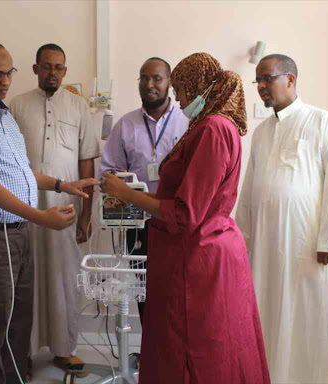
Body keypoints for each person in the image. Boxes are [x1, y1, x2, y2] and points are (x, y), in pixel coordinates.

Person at [0, 39, 99, 384]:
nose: (5, 81)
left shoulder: (2, 115)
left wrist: (61, 185)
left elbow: (22, 171)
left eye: (8, 73)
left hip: (16, 235)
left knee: (17, 325)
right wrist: (40, 218)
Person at [102, 52, 270, 384]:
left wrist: (127, 194)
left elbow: (185, 213)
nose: (178, 99)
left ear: (199, 87)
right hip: (192, 252)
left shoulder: (212, 129)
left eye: (180, 89)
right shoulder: (205, 126)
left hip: (198, 259)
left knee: (200, 350)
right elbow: (177, 201)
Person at [236, 54, 328, 384]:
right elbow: (251, 188)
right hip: (266, 248)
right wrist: (242, 239)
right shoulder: (262, 132)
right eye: (258, 81)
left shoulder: (324, 122)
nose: (262, 87)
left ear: (290, 80)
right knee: (268, 317)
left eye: (267, 79)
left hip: (308, 249)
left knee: (308, 322)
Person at [10, 43, 99, 375]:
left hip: (66, 206)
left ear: (65, 70)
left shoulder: (79, 107)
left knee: (65, 278)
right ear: (35, 69)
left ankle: (65, 349)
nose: (52, 73)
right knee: (26, 279)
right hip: (26, 206)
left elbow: (86, 161)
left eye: (59, 67)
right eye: (46, 67)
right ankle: (25, 352)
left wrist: (87, 215)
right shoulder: (16, 106)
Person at [100, 57, 188, 322]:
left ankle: (172, 358)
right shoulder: (125, 125)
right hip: (137, 223)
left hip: (175, 220)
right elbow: (107, 171)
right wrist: (115, 181)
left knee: (176, 289)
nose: (149, 84)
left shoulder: (187, 123)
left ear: (169, 82)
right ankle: (150, 355)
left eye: (156, 78)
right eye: (143, 78)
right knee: (143, 291)